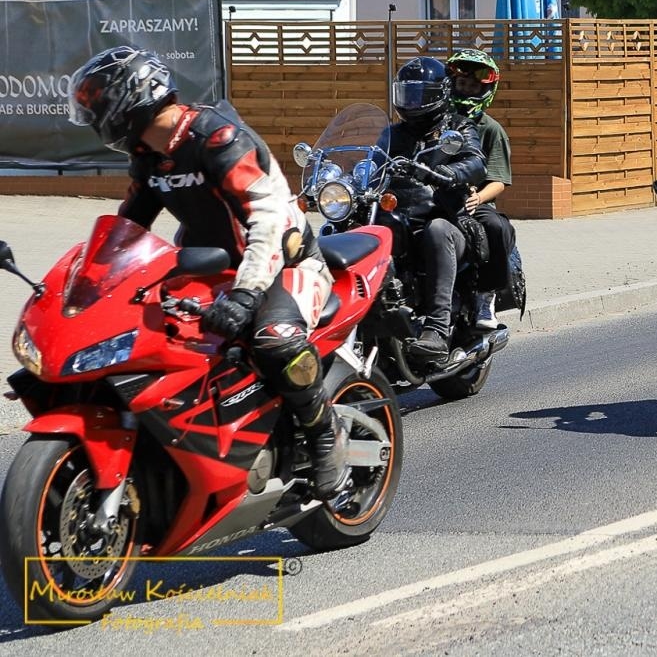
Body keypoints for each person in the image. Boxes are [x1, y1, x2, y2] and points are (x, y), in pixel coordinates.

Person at [67, 45, 348, 499]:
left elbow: (268, 221)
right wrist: (88, 286)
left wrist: (246, 295)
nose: (96, 115)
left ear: (128, 99)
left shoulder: (218, 139)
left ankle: (323, 434)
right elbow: (127, 227)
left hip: (285, 263)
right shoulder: (149, 154)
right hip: (212, 267)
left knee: (274, 339)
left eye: (97, 103)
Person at [379, 56, 488, 367]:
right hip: (399, 216)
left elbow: (475, 160)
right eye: (407, 93)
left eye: (420, 95)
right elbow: (370, 162)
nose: (412, 101)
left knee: (437, 231)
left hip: (446, 218)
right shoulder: (393, 134)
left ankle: (437, 328)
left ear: (439, 95)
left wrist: (448, 174)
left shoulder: (458, 127)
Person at [445, 48, 518, 329]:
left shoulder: (490, 129)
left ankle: (486, 297)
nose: (466, 90)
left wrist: (478, 198)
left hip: (474, 203)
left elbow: (499, 180)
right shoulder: (436, 123)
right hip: (433, 199)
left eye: (473, 86)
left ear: (485, 89)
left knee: (498, 228)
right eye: (462, 84)